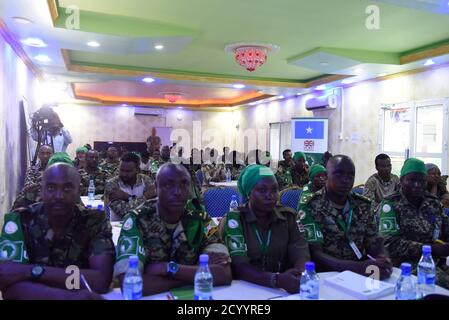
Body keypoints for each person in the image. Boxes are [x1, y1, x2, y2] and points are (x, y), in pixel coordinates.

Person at [0, 163, 115, 300]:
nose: (59, 195)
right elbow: (8, 284)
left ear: (79, 191)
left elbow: (101, 280)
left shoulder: (94, 221)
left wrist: (30, 272)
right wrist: (70, 297)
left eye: (67, 188)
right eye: (51, 188)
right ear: (41, 191)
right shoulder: (21, 220)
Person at [113, 163, 232, 295]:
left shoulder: (202, 220)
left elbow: (224, 274)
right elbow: (129, 283)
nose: (177, 192)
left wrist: (169, 269)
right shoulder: (136, 221)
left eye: (184, 184)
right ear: (156, 188)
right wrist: (197, 275)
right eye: (169, 185)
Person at [219, 165, 310, 293]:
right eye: (262, 190)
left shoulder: (288, 217)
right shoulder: (235, 220)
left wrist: (300, 275)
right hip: (246, 288)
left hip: (284, 291)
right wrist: (276, 280)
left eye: (275, 189)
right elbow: (239, 265)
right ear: (249, 193)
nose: (271, 196)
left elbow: (301, 253)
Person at [299, 155, 393, 279]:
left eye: (350, 175)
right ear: (326, 176)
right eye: (339, 174)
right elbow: (316, 254)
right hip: (327, 275)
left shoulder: (363, 205)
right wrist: (358, 268)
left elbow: (374, 241)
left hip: (362, 274)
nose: (346, 180)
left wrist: (382, 257)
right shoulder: (310, 205)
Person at [378, 158, 449, 289]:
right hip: (405, 265)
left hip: (436, 261)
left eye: (421, 181)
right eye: (411, 180)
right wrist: (431, 249)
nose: (417, 185)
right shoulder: (390, 205)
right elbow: (389, 243)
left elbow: (445, 227)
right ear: (401, 180)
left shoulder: (433, 203)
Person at [104, 152, 156, 221]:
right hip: (118, 227)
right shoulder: (112, 184)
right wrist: (145, 197)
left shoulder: (146, 180)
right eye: (121, 170)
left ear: (137, 170)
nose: (124, 174)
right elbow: (124, 212)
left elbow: (152, 208)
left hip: (142, 227)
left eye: (128, 171)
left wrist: (127, 197)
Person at [12, 145, 54, 210]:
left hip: (51, 200)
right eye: (42, 153)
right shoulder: (32, 169)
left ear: (52, 155)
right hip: (33, 200)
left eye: (48, 153)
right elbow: (28, 186)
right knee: (19, 204)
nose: (45, 156)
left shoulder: (56, 170)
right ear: (38, 155)